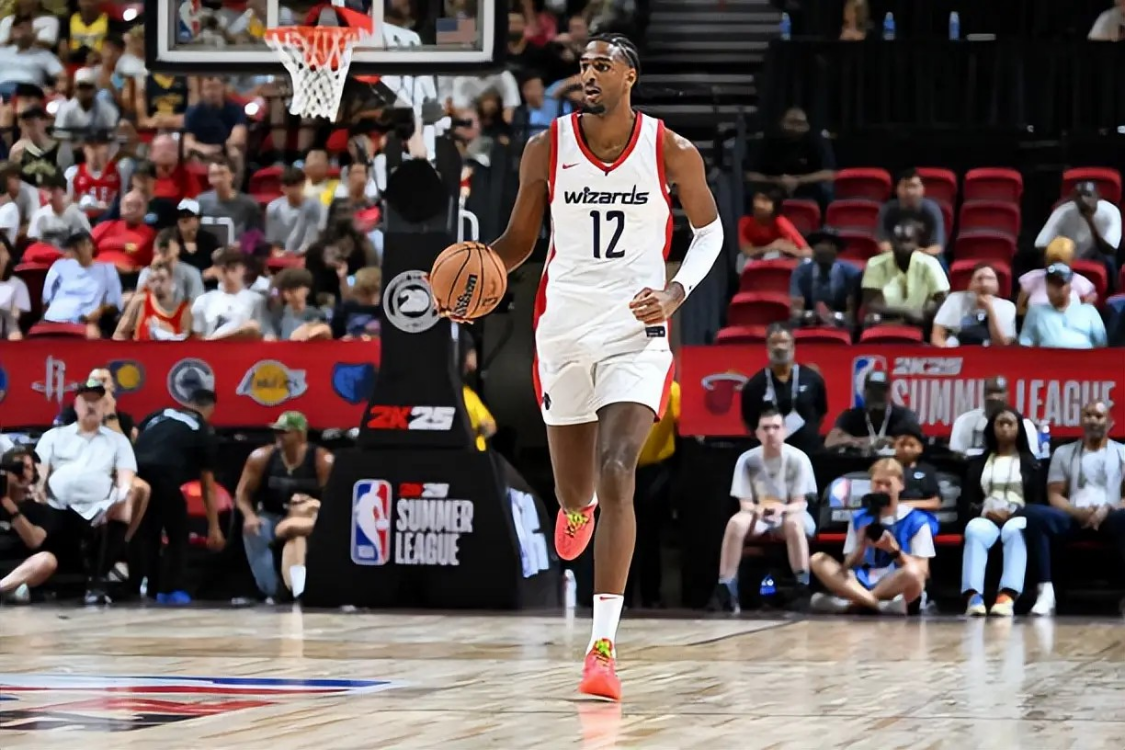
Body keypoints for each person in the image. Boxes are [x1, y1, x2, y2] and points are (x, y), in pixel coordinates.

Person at [442, 34, 723, 701]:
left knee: (618, 465)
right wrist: (473, 277)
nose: (588, 74)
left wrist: (676, 291)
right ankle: (578, 507)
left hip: (635, 329)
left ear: (630, 77)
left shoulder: (670, 149)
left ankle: (602, 648)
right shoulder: (547, 146)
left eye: (602, 65)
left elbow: (709, 232)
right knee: (576, 493)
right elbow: (519, 240)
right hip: (563, 330)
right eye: (583, 66)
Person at [34, 377, 140, 605]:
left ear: (104, 406)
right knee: (35, 501)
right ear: (76, 405)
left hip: (99, 508)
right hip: (58, 505)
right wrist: (38, 488)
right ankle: (38, 580)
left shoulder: (118, 441)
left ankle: (98, 580)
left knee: (127, 500)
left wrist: (121, 495)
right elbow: (39, 472)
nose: (91, 406)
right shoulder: (54, 436)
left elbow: (126, 477)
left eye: (96, 401)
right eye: (86, 400)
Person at [1023, 401, 1125, 616]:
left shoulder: (1122, 452)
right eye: (1088, 415)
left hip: (1111, 516)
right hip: (1074, 516)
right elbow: (1054, 494)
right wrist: (1077, 513)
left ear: (1110, 422)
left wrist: (1106, 509)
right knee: (1032, 514)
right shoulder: (1063, 452)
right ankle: (1046, 592)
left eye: (1099, 416)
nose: (1093, 420)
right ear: (1081, 420)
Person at [710, 407, 817, 613]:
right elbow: (745, 503)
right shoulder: (747, 460)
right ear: (757, 432)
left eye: (775, 427)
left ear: (784, 430)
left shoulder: (798, 458)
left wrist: (781, 508)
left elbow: (799, 502)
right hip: (759, 512)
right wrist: (759, 509)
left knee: (794, 523)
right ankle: (726, 586)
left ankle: (801, 584)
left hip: (791, 512)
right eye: (766, 428)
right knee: (736, 522)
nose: (771, 432)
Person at [132, 389, 225, 604]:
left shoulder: (160, 414)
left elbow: (135, 434)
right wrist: (214, 527)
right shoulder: (202, 429)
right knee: (178, 533)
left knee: (144, 534)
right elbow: (207, 485)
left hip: (135, 476)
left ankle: (141, 587)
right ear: (210, 408)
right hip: (163, 477)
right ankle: (170, 590)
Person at [809, 459, 937, 615]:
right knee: (818, 559)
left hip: (896, 581)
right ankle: (876, 604)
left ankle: (853, 603)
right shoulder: (859, 517)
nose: (881, 489)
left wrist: (894, 551)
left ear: (901, 485)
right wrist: (860, 547)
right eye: (877, 483)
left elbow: (923, 571)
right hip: (861, 579)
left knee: (913, 572)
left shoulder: (917, 520)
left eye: (888, 484)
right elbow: (847, 566)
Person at [235, 412, 332, 602]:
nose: (279, 436)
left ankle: (301, 591)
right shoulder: (261, 457)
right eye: (276, 431)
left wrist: (310, 505)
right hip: (273, 515)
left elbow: (333, 499)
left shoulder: (322, 459)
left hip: (308, 516)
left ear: (300, 434)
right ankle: (272, 591)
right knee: (255, 531)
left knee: (297, 537)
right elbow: (242, 494)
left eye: (285, 432)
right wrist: (249, 516)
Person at [960, 407, 1040, 617]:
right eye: (1000, 423)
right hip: (987, 514)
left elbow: (1038, 501)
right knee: (974, 529)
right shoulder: (977, 464)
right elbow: (968, 500)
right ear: (992, 428)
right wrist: (985, 511)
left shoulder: (1032, 464)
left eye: (1010, 423)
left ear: (1019, 428)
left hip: (1020, 516)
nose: (1005, 428)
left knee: (1015, 530)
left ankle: (1007, 595)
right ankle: (973, 596)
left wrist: (1015, 514)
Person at [739, 322, 827, 455]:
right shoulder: (754, 385)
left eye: (784, 341)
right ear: (767, 346)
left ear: (793, 345)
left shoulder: (812, 379)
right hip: (771, 456)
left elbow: (821, 411)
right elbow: (750, 422)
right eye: (774, 342)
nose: (779, 347)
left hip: (808, 454)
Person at [861, 220, 949, 328]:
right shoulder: (875, 263)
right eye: (897, 241)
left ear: (916, 243)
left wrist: (925, 313)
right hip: (886, 318)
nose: (901, 246)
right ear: (891, 242)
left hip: (921, 321)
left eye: (907, 241)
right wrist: (907, 312)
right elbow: (871, 303)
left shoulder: (930, 263)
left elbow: (943, 300)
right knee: (871, 319)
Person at [0, 445, 56, 602]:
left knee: (47, 560)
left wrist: (8, 505)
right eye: (17, 467)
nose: (22, 472)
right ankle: (9, 591)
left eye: (27, 468)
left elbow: (34, 541)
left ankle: (5, 587)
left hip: (20, 568)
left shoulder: (40, 509)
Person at [825, 370, 921, 452]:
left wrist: (892, 442)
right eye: (873, 391)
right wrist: (869, 441)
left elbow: (915, 444)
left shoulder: (903, 416)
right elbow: (829, 442)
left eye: (881, 390)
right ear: (864, 392)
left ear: (889, 392)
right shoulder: (850, 416)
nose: (877, 395)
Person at [1019, 263, 1107, 349]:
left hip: (1084, 357)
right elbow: (1025, 344)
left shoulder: (1088, 311)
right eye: (1051, 285)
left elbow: (1101, 344)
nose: (1054, 290)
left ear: (1069, 287)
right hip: (1048, 357)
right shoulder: (1035, 311)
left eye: (1059, 285)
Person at [949, 376, 1039, 457]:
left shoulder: (1025, 425)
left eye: (999, 392)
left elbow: (1032, 459)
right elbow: (956, 457)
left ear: (1007, 395)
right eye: (990, 392)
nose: (994, 397)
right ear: (984, 394)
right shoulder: (965, 421)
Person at [931, 263, 1017, 347]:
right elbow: (937, 335)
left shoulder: (1007, 306)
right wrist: (948, 353)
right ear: (970, 284)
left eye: (990, 278)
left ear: (997, 285)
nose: (984, 283)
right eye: (979, 279)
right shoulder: (954, 298)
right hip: (955, 349)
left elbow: (1002, 344)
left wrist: (989, 309)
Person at [788, 229, 860, 328]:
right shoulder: (801, 272)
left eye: (829, 244)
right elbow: (796, 308)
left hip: (841, 321)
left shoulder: (850, 271)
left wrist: (836, 317)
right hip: (809, 320)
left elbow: (853, 309)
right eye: (820, 244)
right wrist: (808, 315)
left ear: (836, 250)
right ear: (813, 248)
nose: (824, 248)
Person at [113, 259, 193, 341]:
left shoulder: (184, 309)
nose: (157, 285)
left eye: (162, 280)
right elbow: (119, 334)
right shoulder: (140, 301)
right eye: (153, 280)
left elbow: (186, 340)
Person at [875, 169, 946, 260]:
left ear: (922, 189)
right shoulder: (888, 210)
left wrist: (911, 256)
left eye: (914, 186)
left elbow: (937, 248)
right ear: (896, 189)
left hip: (927, 258)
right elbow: (883, 244)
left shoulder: (931, 210)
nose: (910, 192)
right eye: (905, 186)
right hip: (895, 258)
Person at [1017, 237, 1098, 314]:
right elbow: (1019, 311)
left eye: (1061, 262)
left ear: (1071, 261)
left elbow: (1087, 314)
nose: (1057, 266)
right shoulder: (1031, 279)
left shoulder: (1082, 284)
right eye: (1053, 261)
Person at [736, 187, 809, 271]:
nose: (759, 204)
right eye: (757, 199)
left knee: (773, 255)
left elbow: (808, 251)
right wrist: (771, 247)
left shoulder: (780, 221)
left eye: (765, 200)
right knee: (741, 258)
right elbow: (747, 251)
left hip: (781, 262)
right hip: (755, 260)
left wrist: (792, 251)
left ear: (774, 206)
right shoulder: (745, 222)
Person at [892, 424, 941, 511]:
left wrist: (904, 505)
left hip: (920, 514)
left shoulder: (927, 470)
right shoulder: (887, 468)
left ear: (920, 448)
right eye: (902, 445)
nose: (906, 449)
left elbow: (935, 503)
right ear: (894, 446)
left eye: (911, 445)